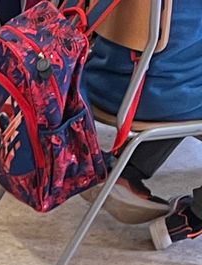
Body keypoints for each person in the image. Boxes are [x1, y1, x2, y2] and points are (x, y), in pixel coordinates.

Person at [82, 0, 202, 238]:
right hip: (155, 96)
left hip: (99, 81)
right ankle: (195, 216)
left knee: (181, 71)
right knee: (181, 84)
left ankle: (125, 171)